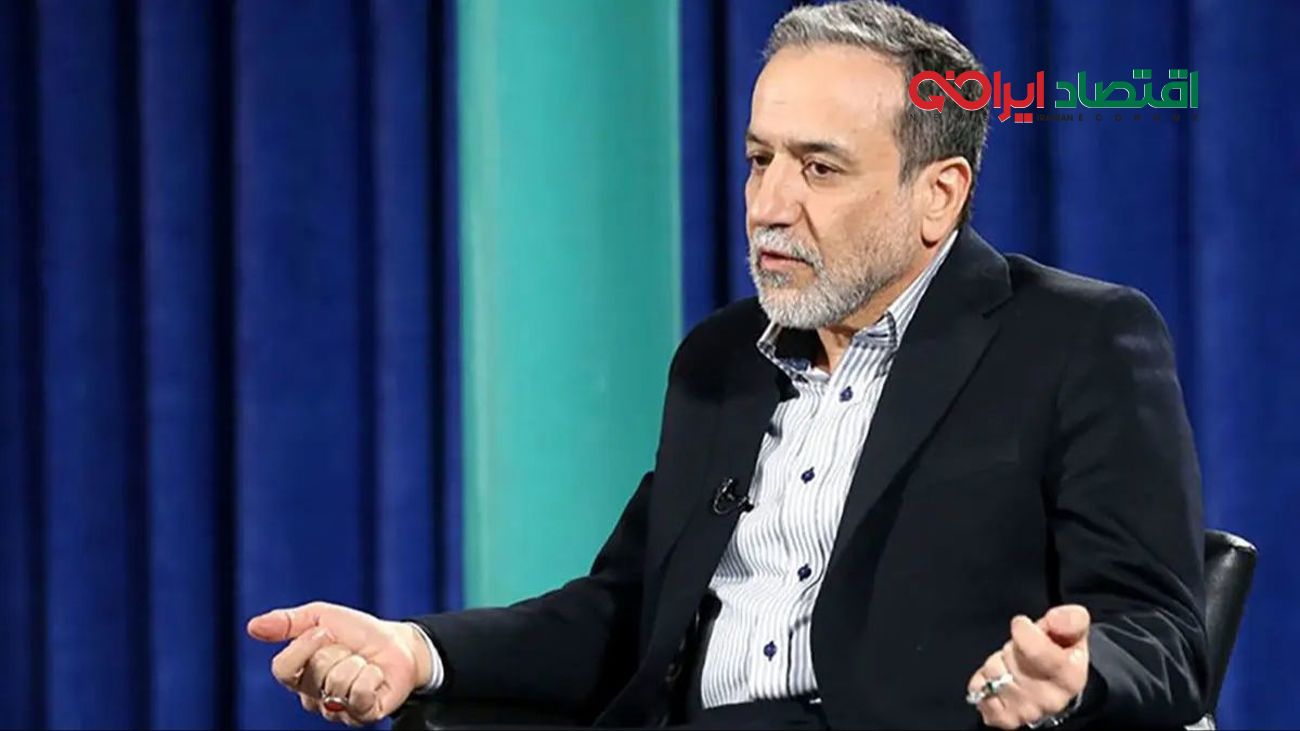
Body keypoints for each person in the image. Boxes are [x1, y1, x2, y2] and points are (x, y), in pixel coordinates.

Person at [247, 1, 1208, 728]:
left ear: (938, 195)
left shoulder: (1073, 340)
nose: (769, 206)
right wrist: (417, 650)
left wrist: (1073, 678)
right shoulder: (719, 360)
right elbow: (626, 615)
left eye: (819, 168)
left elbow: (1163, 639)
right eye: (759, 160)